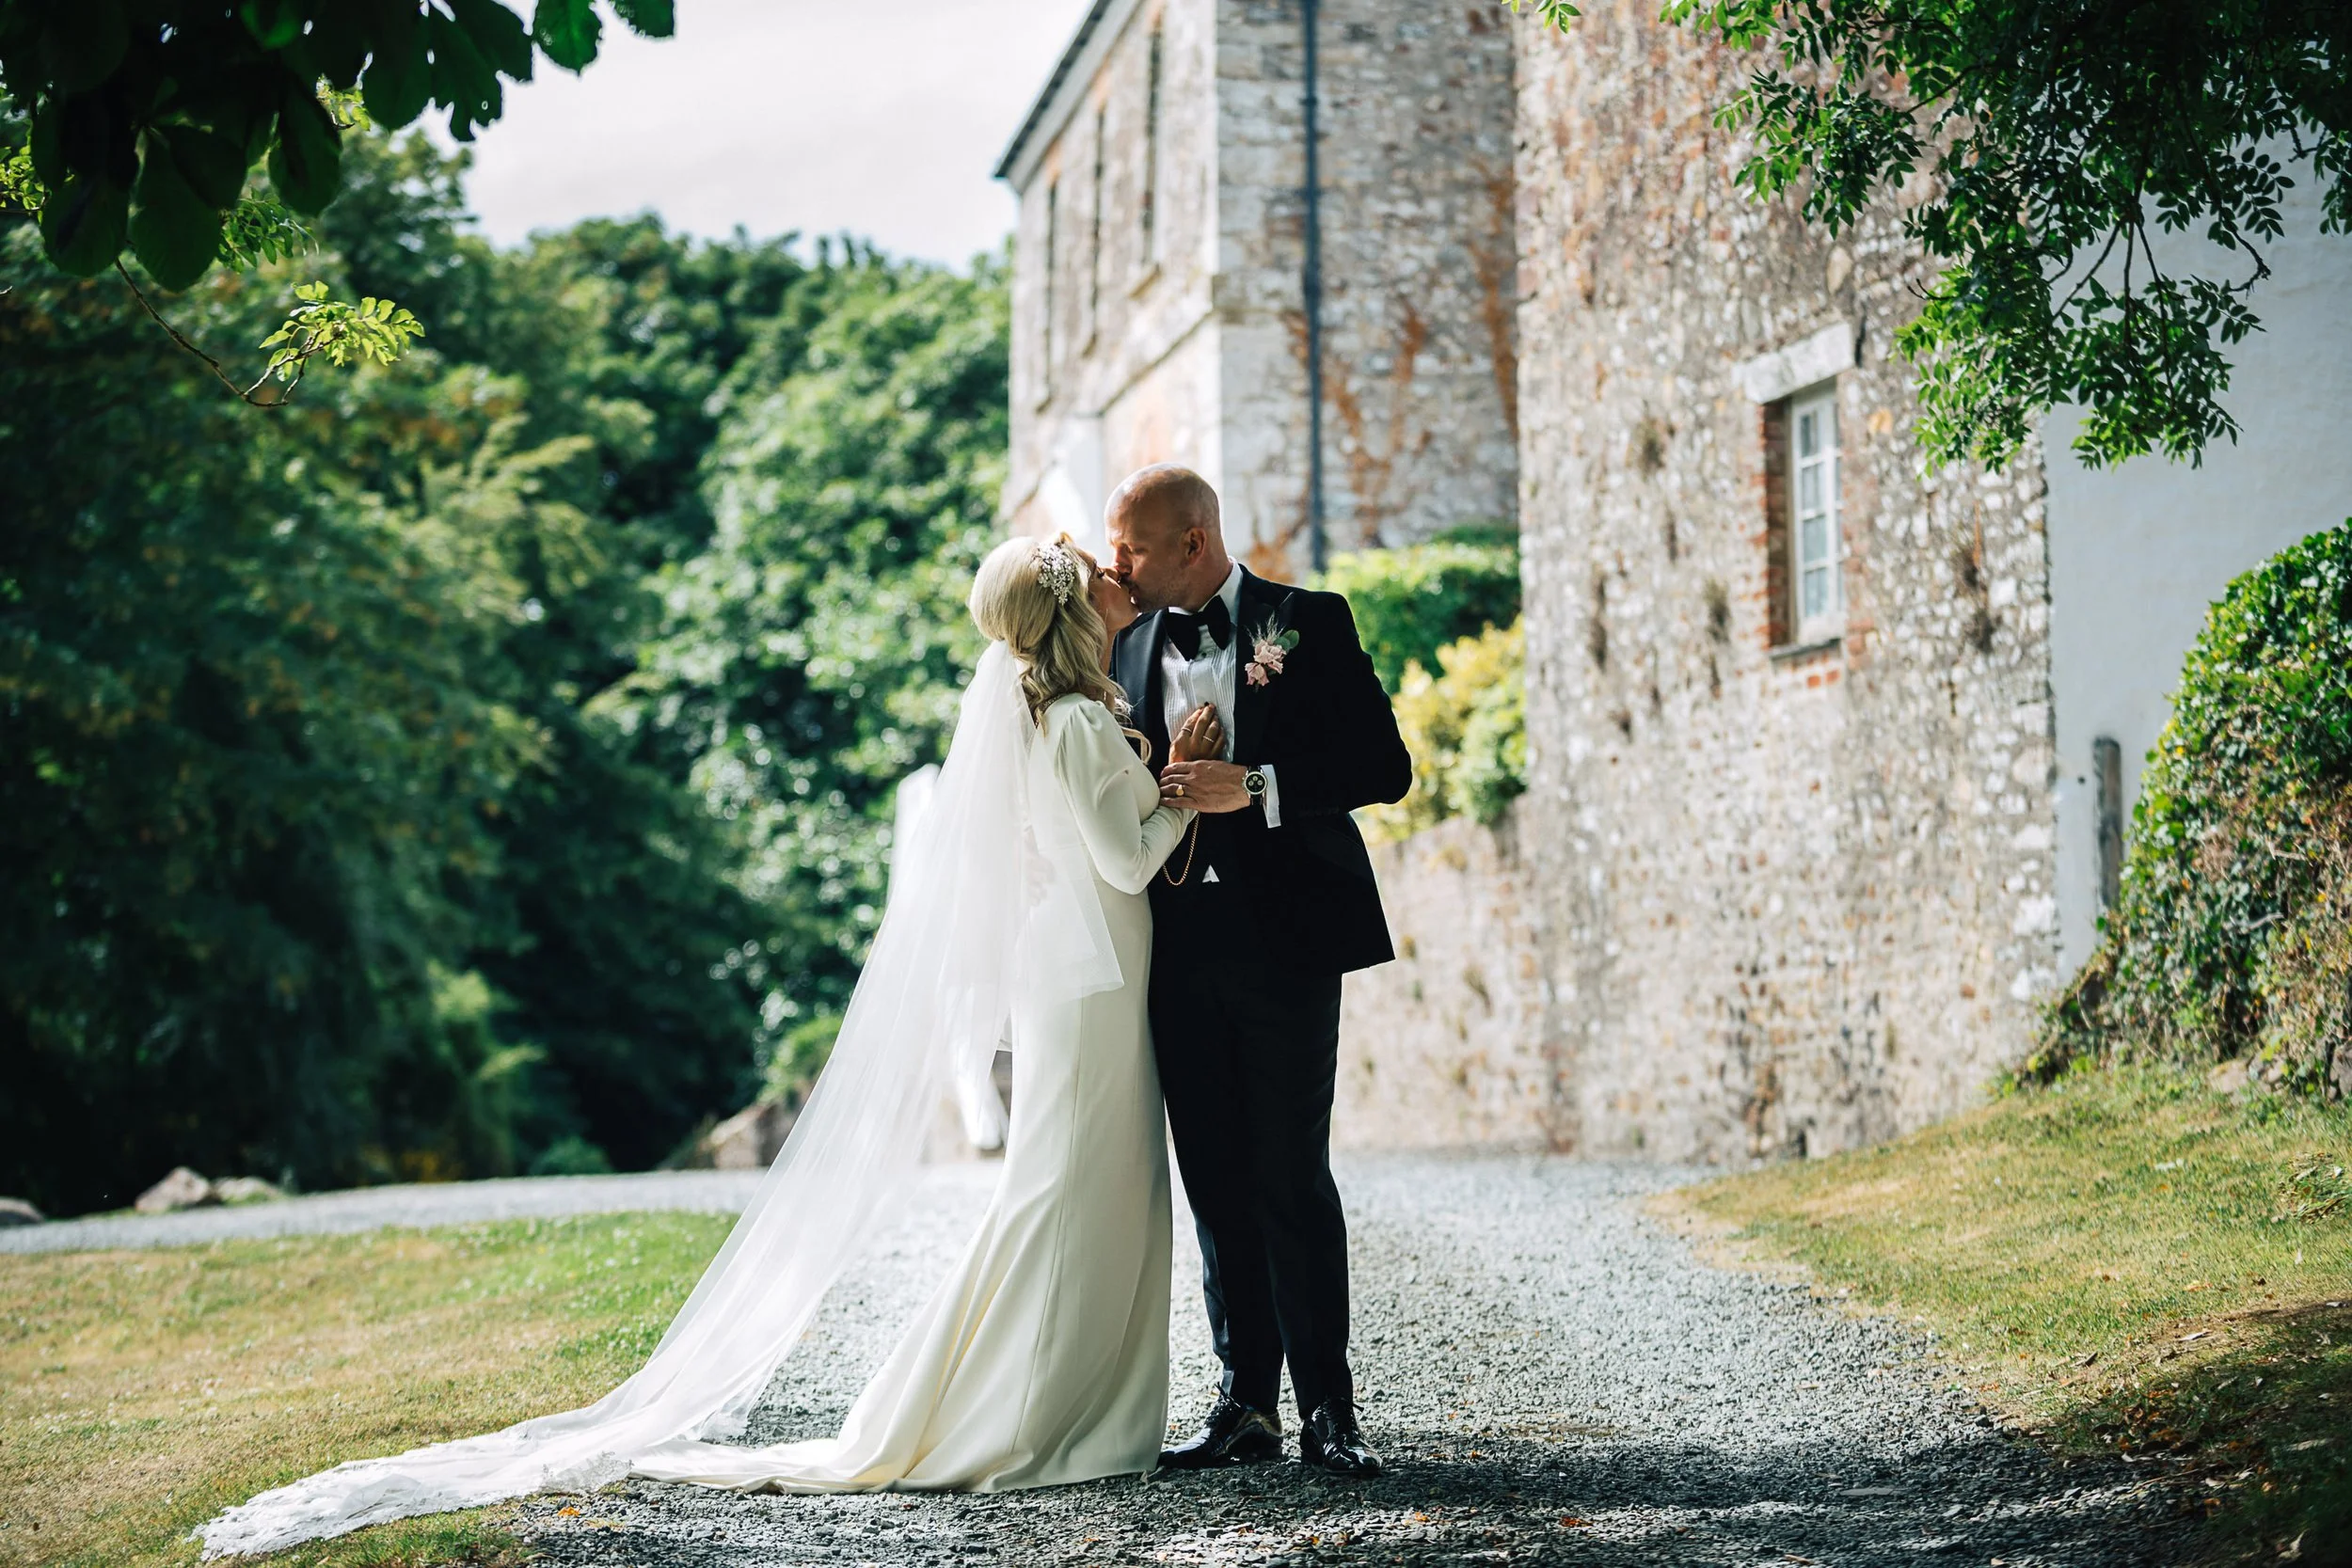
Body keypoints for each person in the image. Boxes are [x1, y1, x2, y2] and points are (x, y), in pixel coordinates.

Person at [199, 535, 1225, 1553]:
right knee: (1068, 1195)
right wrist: (1185, 784)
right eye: (1093, 568)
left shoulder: (1035, 711)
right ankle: (1042, 1419)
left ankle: (1054, 1409)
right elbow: (1128, 863)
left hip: (1077, 977)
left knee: (1069, 1193)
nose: (1111, 575)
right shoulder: (1080, 721)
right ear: (1071, 614)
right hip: (1090, 988)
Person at [1105, 464, 1411, 1478]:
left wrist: (1261, 786)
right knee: (1213, 1176)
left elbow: (1384, 766)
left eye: (1135, 546)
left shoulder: (1306, 621)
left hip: (1286, 941)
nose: (1120, 564)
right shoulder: (1125, 644)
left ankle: (1329, 1408)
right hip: (1173, 948)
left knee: (1289, 1171)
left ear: (1192, 541)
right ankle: (1245, 1402)